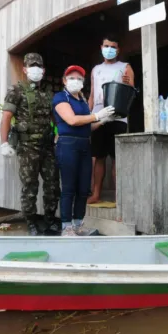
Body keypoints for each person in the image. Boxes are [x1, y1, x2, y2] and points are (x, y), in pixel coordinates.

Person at [0, 53, 61, 236]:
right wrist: (4, 143)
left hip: (47, 146)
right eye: (31, 65)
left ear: (43, 70)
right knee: (30, 186)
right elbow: (6, 117)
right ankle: (31, 223)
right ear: (25, 69)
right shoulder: (16, 90)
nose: (36, 69)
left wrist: (58, 135)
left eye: (39, 66)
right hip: (27, 148)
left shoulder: (48, 93)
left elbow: (55, 119)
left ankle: (50, 221)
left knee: (52, 186)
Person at [53, 65, 116, 236]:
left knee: (83, 188)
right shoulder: (60, 98)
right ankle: (66, 227)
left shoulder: (82, 100)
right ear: (64, 80)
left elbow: (87, 127)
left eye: (80, 79)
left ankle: (78, 224)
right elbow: (72, 121)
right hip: (67, 145)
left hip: (84, 144)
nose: (76, 81)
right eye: (72, 78)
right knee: (69, 188)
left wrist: (103, 120)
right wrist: (97, 115)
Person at [87, 34, 135, 203]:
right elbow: (92, 94)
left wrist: (128, 83)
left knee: (117, 158)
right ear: (101, 47)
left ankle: (118, 197)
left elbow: (131, 91)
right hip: (99, 117)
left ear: (118, 49)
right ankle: (96, 194)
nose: (109, 49)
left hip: (118, 117)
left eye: (113, 47)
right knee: (99, 157)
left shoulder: (125, 67)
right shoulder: (96, 69)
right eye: (107, 46)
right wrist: (88, 116)